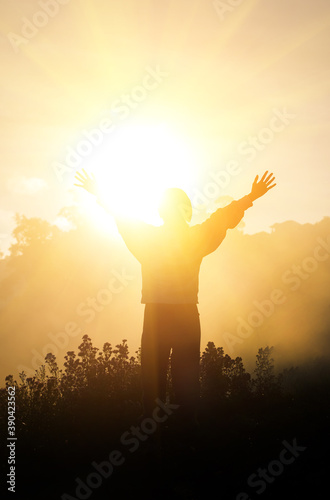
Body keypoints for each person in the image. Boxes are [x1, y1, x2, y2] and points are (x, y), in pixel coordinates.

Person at [74, 169, 276, 424]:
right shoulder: (195, 238)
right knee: (186, 384)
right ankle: (184, 443)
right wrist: (250, 197)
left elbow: (124, 217)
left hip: (157, 315)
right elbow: (222, 218)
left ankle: (152, 441)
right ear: (187, 211)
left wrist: (100, 193)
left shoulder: (149, 239)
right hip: (186, 316)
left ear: (161, 212)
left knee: (153, 382)